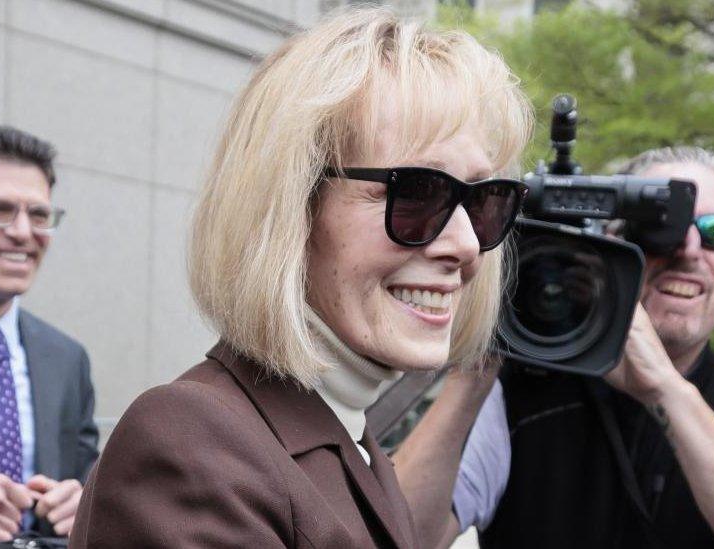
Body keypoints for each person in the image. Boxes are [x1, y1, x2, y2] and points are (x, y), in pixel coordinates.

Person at [69, 7, 532, 548]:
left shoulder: (352, 442)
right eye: (417, 194)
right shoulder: (191, 442)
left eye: (484, 201)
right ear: (292, 207)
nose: (465, 245)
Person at [400, 146, 714, 548]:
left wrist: (666, 390)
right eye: (660, 228)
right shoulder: (517, 395)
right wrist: (481, 354)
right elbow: (398, 536)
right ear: (611, 248)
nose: (688, 249)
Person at [0, 127, 98, 545]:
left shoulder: (66, 359)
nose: (23, 232)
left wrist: (81, 503)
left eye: (39, 215)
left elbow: (87, 479)